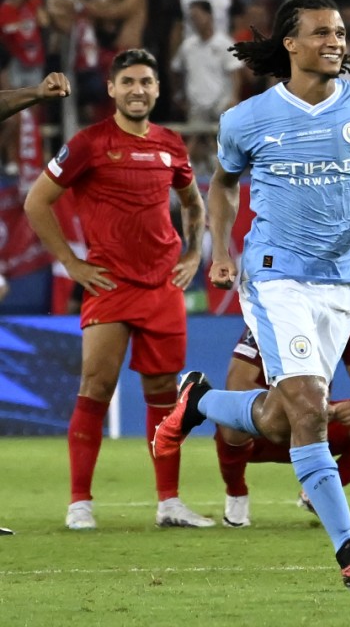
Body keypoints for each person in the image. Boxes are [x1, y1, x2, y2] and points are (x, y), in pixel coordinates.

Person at [151, 0, 350, 590]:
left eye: (340, 32)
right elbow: (221, 187)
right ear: (290, 44)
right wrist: (225, 253)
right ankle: (349, 551)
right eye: (321, 33)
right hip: (273, 273)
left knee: (286, 420)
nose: (336, 41)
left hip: (341, 281)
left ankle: (199, 401)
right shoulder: (247, 119)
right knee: (310, 409)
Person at [26, 58, 200, 530]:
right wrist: (71, 263)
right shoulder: (88, 144)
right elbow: (36, 201)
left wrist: (195, 253)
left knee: (164, 393)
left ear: (158, 89)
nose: (137, 89)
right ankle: (79, 504)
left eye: (145, 81)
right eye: (128, 82)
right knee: (95, 387)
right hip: (110, 284)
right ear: (111, 89)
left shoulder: (171, 144)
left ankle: (169, 503)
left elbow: (193, 201)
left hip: (163, 286)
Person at [214, 317, 350, 528]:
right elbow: (237, 384)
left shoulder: (345, 319)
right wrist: (293, 407)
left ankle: (319, 493)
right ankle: (236, 494)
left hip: (313, 429)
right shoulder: (269, 315)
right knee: (230, 418)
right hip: (265, 427)